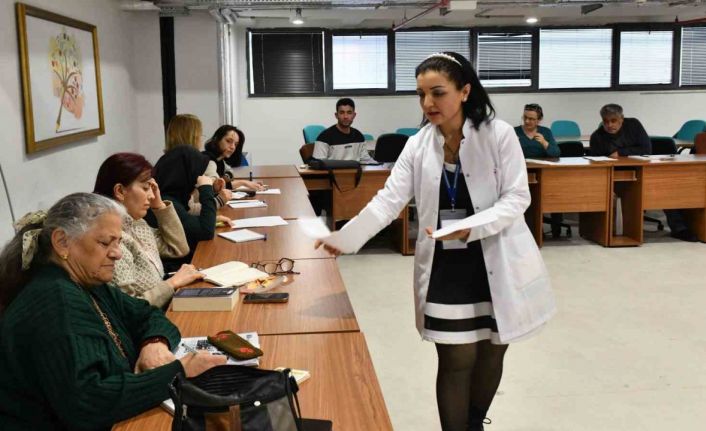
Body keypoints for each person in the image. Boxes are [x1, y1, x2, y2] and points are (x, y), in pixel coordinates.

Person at [315, 52, 555, 431]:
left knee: (492, 351)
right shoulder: (418, 145)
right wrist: (349, 236)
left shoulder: (498, 135)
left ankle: (474, 423)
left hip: (496, 259)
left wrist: (472, 227)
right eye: (421, 94)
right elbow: (389, 199)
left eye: (437, 92)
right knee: (456, 359)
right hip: (447, 266)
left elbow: (516, 198)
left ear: (464, 92)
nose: (428, 103)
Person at [0, 193, 225, 430]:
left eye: (118, 242)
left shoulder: (88, 282)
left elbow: (147, 314)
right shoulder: (55, 301)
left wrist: (155, 344)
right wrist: (179, 372)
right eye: (105, 243)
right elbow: (87, 403)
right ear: (62, 242)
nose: (117, 253)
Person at [93, 153, 204, 308]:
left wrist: (159, 206)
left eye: (152, 188)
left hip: (161, 309)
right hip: (151, 317)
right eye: (146, 188)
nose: (152, 196)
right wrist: (172, 283)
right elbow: (129, 308)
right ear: (120, 191)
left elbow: (178, 249)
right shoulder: (112, 240)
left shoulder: (137, 223)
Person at [590, 104, 698, 242]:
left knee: (665, 188)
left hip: (643, 169)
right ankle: (608, 230)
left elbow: (646, 148)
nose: (609, 125)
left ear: (621, 119)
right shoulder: (597, 136)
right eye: (605, 121)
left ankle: (679, 228)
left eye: (613, 121)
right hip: (615, 174)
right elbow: (597, 162)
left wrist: (621, 152)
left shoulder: (633, 125)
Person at [149, 146, 219, 264]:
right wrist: (206, 189)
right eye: (196, 174)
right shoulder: (164, 201)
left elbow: (188, 223)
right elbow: (205, 233)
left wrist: (212, 219)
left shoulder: (172, 195)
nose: (195, 181)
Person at [514, 104, 564, 237]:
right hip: (521, 173)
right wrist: (513, 145)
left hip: (543, 173)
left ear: (539, 120)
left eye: (531, 119)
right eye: (525, 117)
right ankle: (530, 230)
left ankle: (555, 229)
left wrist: (544, 143)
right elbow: (504, 154)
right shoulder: (515, 131)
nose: (527, 121)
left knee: (555, 193)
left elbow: (556, 153)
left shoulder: (545, 132)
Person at [166, 114, 233, 205]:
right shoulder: (199, 162)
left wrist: (214, 186)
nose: (232, 147)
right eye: (200, 135)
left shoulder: (166, 161)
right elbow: (189, 207)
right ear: (193, 137)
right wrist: (218, 200)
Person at [203, 125, 265, 191]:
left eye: (235, 144)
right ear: (217, 139)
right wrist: (243, 183)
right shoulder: (210, 160)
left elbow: (230, 173)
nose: (233, 147)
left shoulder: (220, 160)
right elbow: (216, 187)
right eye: (228, 141)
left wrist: (250, 184)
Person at [312, 98, 372, 162]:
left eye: (349, 113)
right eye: (342, 112)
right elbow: (318, 164)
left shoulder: (359, 136)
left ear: (354, 115)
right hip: (333, 169)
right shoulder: (323, 138)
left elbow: (366, 161)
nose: (345, 116)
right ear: (336, 115)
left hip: (356, 169)